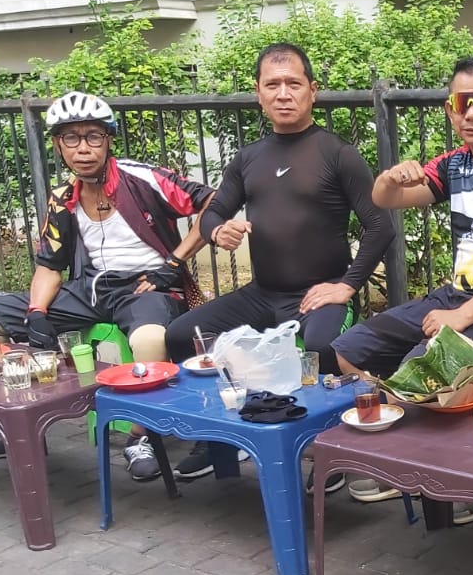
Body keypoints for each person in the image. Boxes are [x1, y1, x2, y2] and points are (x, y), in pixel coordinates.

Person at [334, 56, 473, 520]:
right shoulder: (454, 165)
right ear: (450, 110)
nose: (472, 114)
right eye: (462, 104)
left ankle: (459, 484)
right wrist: (388, 178)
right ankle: (417, 456)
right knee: (346, 350)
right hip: (456, 297)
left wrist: (459, 320)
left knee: (415, 374)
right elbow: (386, 200)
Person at [165, 42, 394, 479]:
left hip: (317, 294)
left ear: (313, 91)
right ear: (259, 93)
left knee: (324, 348)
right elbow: (214, 210)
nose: (283, 93)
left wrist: (346, 285)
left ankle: (328, 451)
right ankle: (219, 445)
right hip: (262, 294)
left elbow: (381, 227)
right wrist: (216, 230)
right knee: (182, 336)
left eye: (294, 84)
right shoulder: (250, 158)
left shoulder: (336, 153)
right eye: (273, 84)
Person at [0, 91, 213, 480]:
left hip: (149, 286)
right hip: (92, 288)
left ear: (109, 139)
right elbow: (49, 265)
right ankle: (8, 423)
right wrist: (36, 312)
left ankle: (141, 437)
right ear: (58, 146)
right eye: (72, 138)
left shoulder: (141, 177)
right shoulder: (64, 198)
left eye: (93, 136)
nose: (83, 148)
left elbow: (213, 203)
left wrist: (174, 263)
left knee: (148, 339)